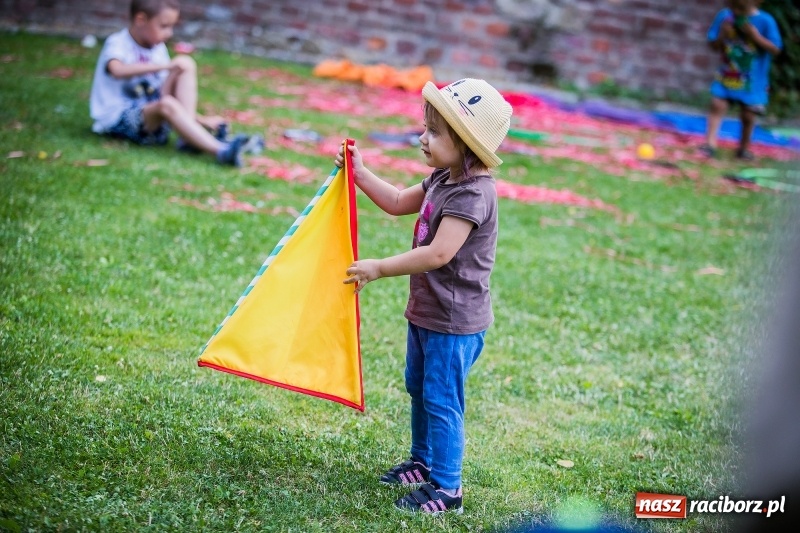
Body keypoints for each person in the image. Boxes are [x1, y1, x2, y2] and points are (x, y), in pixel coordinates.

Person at [334, 78, 512, 514]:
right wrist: (360, 175)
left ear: (466, 143)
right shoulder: (442, 178)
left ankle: (448, 489)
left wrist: (379, 267)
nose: (422, 138)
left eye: (434, 132)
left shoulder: (473, 194)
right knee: (418, 387)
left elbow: (438, 254)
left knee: (442, 399)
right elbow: (397, 200)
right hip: (428, 312)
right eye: (425, 127)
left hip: (454, 322)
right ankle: (423, 462)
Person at [89, 0, 263, 166]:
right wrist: (165, 66)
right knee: (168, 99)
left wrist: (200, 120)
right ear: (140, 19)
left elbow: (164, 95)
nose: (169, 33)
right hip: (117, 121)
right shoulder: (118, 43)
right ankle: (221, 150)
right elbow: (117, 70)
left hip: (152, 122)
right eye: (164, 26)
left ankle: (191, 137)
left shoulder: (157, 49)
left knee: (185, 64)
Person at [700, 0, 782, 161]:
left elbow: (775, 48)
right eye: (733, 7)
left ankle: (743, 149)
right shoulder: (725, 17)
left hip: (753, 81)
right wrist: (723, 34)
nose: (736, 12)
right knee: (717, 104)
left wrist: (755, 37)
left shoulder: (765, 21)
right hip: (727, 74)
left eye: (740, 7)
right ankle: (709, 144)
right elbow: (713, 45)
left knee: (748, 114)